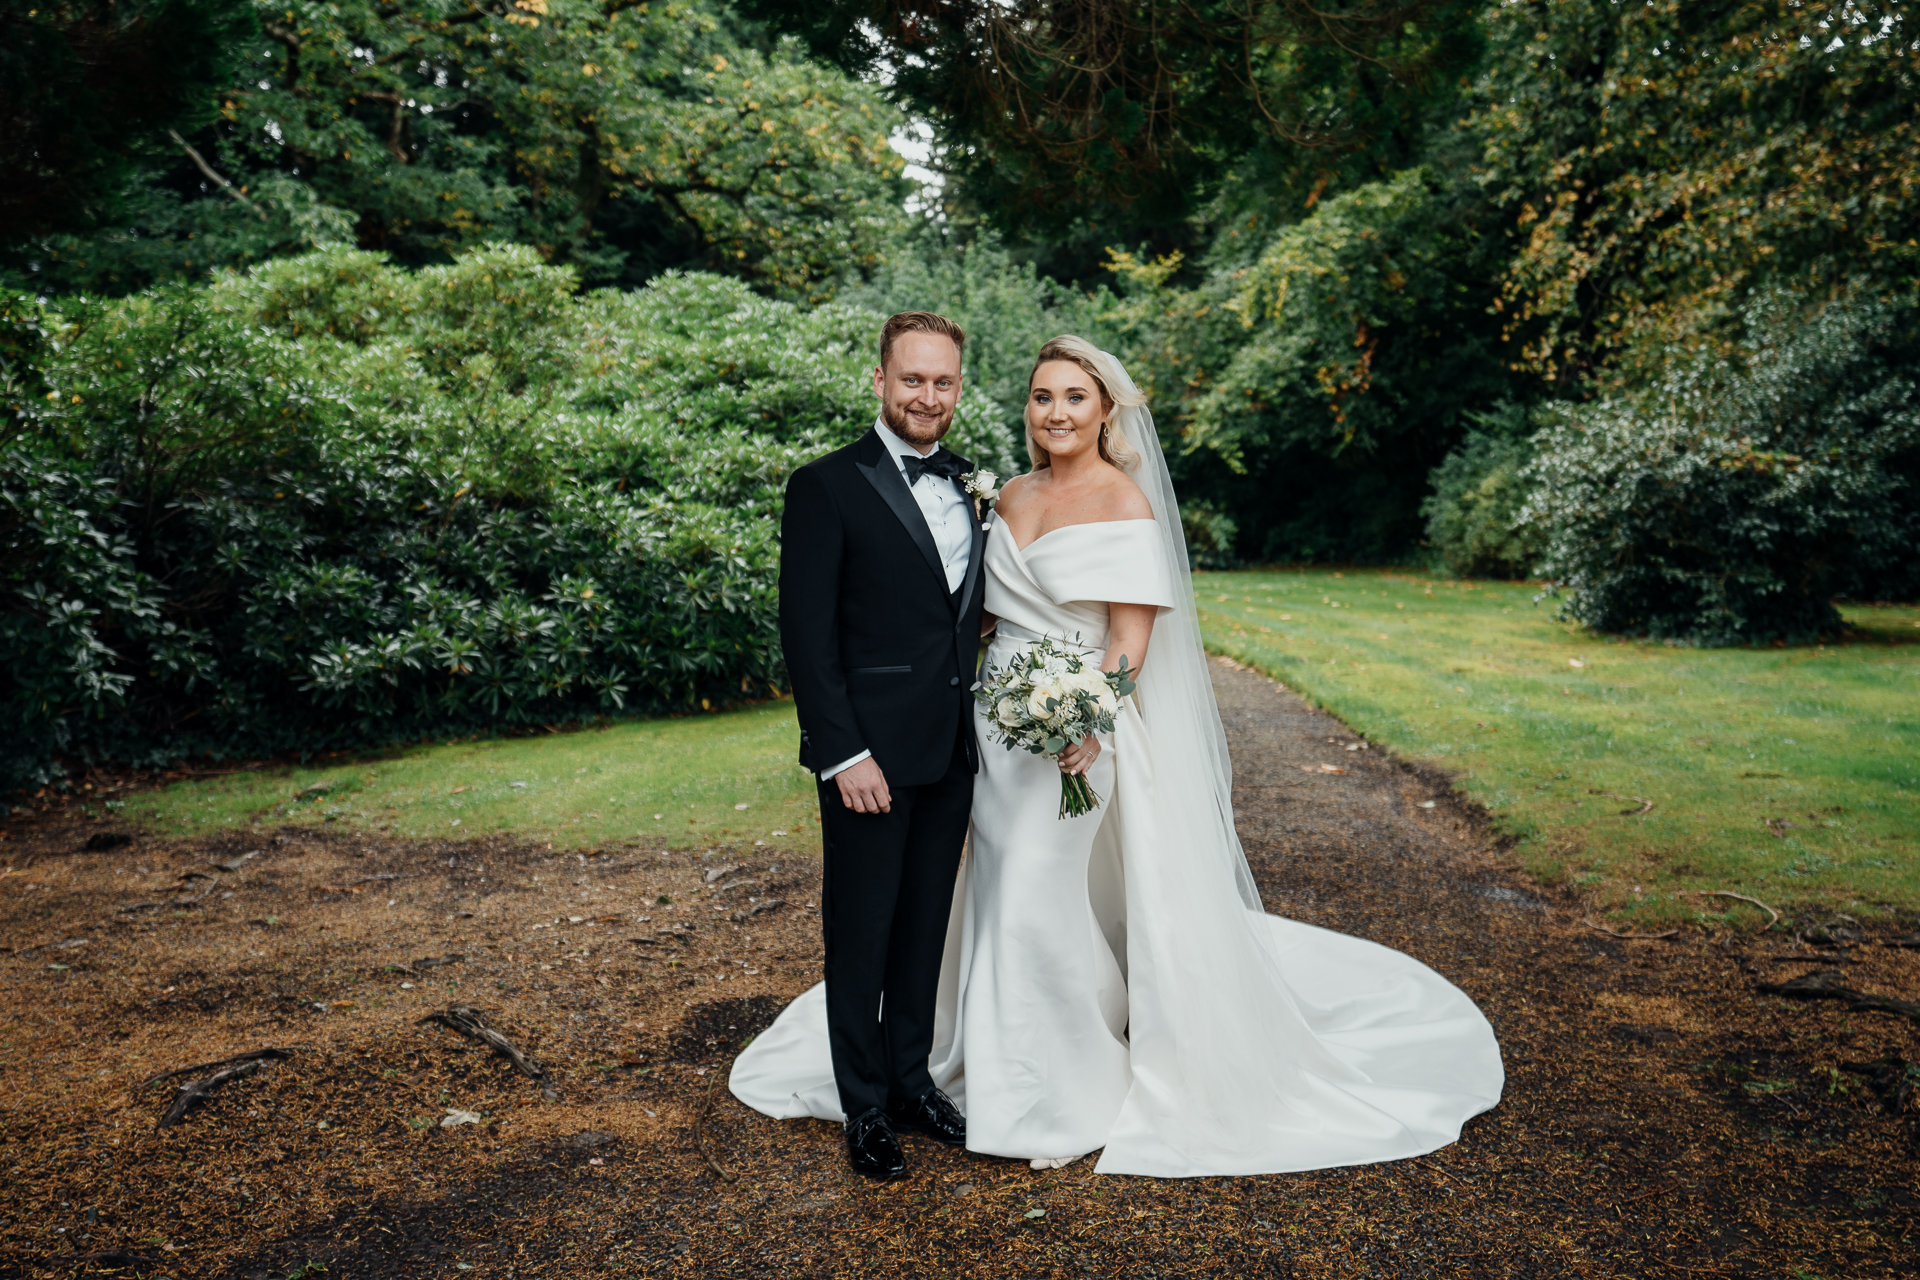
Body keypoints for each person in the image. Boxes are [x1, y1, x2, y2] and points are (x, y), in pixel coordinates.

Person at [735, 335, 1506, 1177]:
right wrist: (847, 747)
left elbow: (1129, 642)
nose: (1055, 412)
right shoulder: (988, 491)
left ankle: (1034, 1088)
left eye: (1074, 397)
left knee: (1022, 894)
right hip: (981, 737)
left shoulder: (1109, 502)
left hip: (1074, 737)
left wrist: (1086, 716)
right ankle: (881, 1098)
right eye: (1041, 396)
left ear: (1106, 409)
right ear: (883, 381)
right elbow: (904, 621)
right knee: (965, 901)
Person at [770, 311, 984, 1179]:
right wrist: (841, 752)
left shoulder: (977, 483)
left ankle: (910, 1081)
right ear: (879, 380)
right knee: (860, 931)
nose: (926, 396)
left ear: (958, 390)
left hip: (952, 751)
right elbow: (805, 636)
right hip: (867, 758)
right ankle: (863, 1107)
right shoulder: (825, 485)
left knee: (924, 926)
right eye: (912, 379)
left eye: (942, 383)